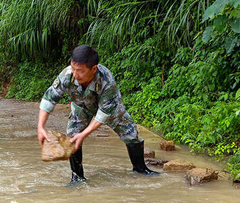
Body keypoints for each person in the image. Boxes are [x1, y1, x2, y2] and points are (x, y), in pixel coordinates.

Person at [37, 45, 158, 184]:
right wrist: (40, 127)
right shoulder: (67, 75)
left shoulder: (106, 80)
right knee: (73, 136)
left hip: (110, 108)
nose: (75, 74)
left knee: (131, 133)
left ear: (93, 69)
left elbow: (104, 113)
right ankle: (77, 178)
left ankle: (140, 169)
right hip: (81, 107)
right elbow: (49, 98)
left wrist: (84, 134)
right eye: (73, 68)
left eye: (80, 71)